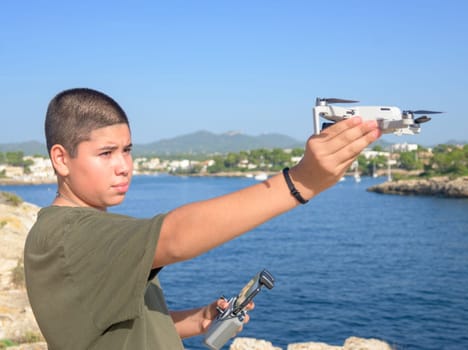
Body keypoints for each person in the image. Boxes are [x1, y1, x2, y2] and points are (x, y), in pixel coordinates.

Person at [24, 88, 381, 349]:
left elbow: (125, 326)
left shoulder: (84, 235)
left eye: (127, 150)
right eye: (106, 153)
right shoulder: (67, 235)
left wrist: (199, 320)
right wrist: (300, 182)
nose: (124, 166)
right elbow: (175, 236)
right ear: (61, 159)